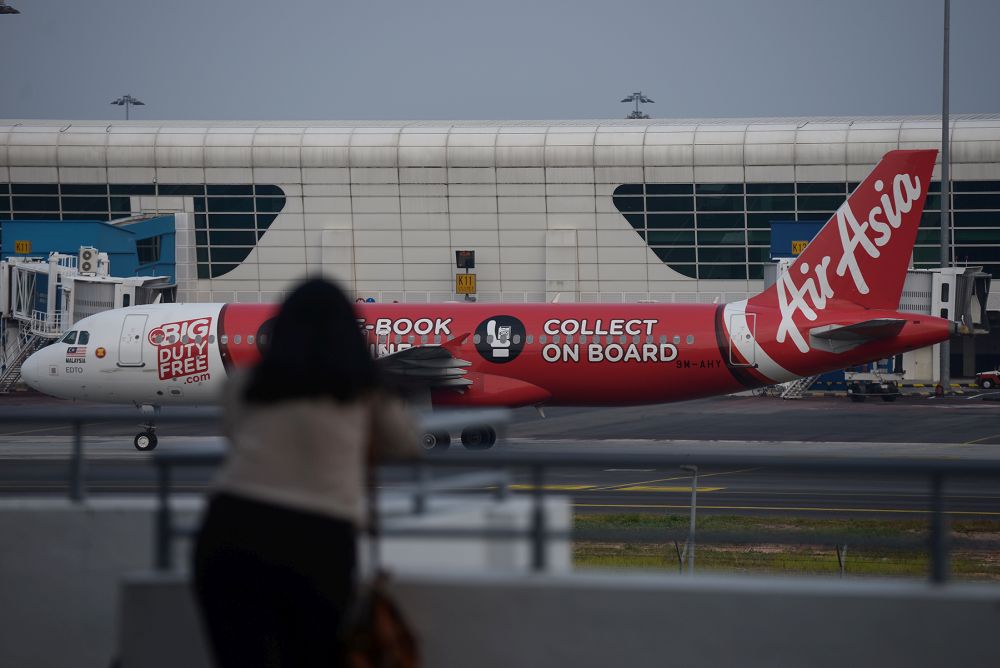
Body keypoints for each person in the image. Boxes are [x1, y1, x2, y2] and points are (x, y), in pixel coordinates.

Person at [192, 278, 419, 668]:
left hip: (230, 528)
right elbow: (406, 445)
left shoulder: (247, 383)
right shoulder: (362, 389)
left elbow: (235, 433)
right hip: (316, 537)